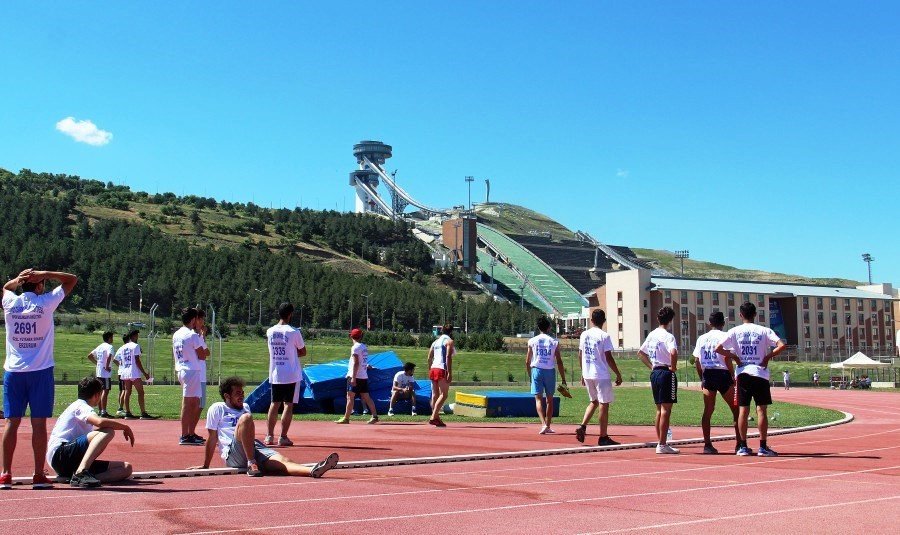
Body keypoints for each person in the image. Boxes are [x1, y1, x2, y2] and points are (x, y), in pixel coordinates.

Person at [2, 268, 77, 490]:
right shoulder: (46, 302)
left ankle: (5, 474)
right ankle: (37, 474)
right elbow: (71, 280)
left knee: (11, 423)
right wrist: (46, 273)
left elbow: (5, 288)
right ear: (40, 286)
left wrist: (19, 279)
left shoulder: (10, 303)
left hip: (13, 372)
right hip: (40, 371)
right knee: (38, 424)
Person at [191, 376, 338, 478]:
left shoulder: (246, 406)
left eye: (242, 392)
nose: (242, 395)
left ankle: (312, 470)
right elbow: (212, 438)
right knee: (247, 418)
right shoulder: (217, 408)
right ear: (227, 396)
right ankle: (251, 463)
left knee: (282, 461)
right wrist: (205, 465)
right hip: (233, 453)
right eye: (237, 393)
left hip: (252, 446)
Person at [716, 302, 786, 457]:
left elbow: (718, 348)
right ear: (755, 314)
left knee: (743, 409)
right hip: (760, 373)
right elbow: (781, 345)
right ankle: (762, 446)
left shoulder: (734, 331)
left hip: (742, 373)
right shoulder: (763, 330)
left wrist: (734, 356)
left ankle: (742, 446)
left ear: (740, 315)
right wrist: (767, 357)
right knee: (761, 410)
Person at [47, 377, 135, 488]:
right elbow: (100, 422)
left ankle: (75, 477)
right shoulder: (81, 406)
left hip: (69, 461)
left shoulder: (79, 406)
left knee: (126, 468)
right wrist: (125, 427)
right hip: (60, 455)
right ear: (97, 395)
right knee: (108, 431)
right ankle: (82, 471)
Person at [692, 311, 740, 454]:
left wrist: (702, 378)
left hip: (708, 374)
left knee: (708, 410)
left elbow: (696, 360)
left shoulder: (702, 338)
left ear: (709, 323)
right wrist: (733, 375)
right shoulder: (725, 336)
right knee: (736, 409)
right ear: (723, 323)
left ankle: (707, 444)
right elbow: (727, 358)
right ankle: (739, 444)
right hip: (722, 373)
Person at [575, 309, 623, 446]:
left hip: (588, 372)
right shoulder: (604, 336)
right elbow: (608, 357)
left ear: (591, 320)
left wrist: (583, 372)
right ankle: (603, 436)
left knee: (594, 401)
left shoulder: (584, 334)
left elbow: (580, 354)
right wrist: (618, 373)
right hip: (600, 374)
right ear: (604, 321)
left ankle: (583, 426)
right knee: (603, 404)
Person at [637, 306, 679, 454]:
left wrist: (651, 366)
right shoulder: (669, 336)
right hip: (666, 372)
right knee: (666, 409)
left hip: (655, 372)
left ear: (657, 319)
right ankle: (662, 443)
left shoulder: (652, 335)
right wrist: (673, 367)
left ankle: (661, 441)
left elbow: (641, 353)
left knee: (658, 409)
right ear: (671, 320)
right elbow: (673, 352)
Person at [266, 303, 306, 445]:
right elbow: (303, 351)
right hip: (291, 373)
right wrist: (291, 353)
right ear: (290, 314)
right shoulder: (294, 332)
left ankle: (269, 436)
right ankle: (283, 436)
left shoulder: (270, 331)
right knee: (288, 404)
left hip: (276, 371)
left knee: (274, 404)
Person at [173, 308, 209, 445]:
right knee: (188, 403)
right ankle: (185, 435)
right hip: (192, 370)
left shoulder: (177, 334)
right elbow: (202, 354)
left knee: (193, 402)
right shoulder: (192, 335)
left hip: (181, 368)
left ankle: (188, 434)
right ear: (193, 319)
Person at [526, 316, 567, 434]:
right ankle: (547, 425)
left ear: (538, 327)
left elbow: (527, 361)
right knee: (550, 400)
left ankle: (543, 424)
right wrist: (563, 378)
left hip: (536, 369)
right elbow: (559, 361)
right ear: (549, 327)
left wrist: (530, 374)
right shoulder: (554, 341)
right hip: (549, 370)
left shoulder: (532, 341)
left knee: (538, 399)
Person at [336, 328, 378, 424]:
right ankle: (375, 416)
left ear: (351, 336)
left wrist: (353, 378)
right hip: (363, 376)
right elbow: (362, 361)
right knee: (367, 397)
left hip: (355, 376)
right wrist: (366, 366)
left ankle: (346, 418)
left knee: (350, 397)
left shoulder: (355, 347)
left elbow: (356, 363)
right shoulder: (363, 346)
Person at [115, 330, 156, 420]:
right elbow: (137, 360)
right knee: (140, 392)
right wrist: (145, 373)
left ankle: (127, 412)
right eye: (137, 335)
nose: (137, 337)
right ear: (133, 336)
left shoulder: (123, 347)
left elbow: (119, 360)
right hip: (133, 372)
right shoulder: (136, 346)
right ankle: (143, 413)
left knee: (127, 392)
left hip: (125, 372)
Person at [427, 324, 455, 427]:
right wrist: (449, 372)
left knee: (435, 395)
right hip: (442, 368)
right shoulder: (449, 341)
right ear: (451, 332)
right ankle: (433, 417)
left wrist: (430, 369)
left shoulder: (435, 342)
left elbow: (429, 358)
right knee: (444, 395)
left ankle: (436, 418)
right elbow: (448, 356)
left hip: (433, 368)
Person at [86, 331, 116, 417]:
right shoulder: (110, 346)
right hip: (105, 374)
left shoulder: (100, 346)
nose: (112, 339)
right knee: (105, 392)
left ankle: (100, 410)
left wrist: (98, 364)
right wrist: (106, 366)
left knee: (99, 391)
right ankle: (103, 411)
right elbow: (109, 356)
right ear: (109, 338)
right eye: (112, 337)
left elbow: (90, 356)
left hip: (99, 372)